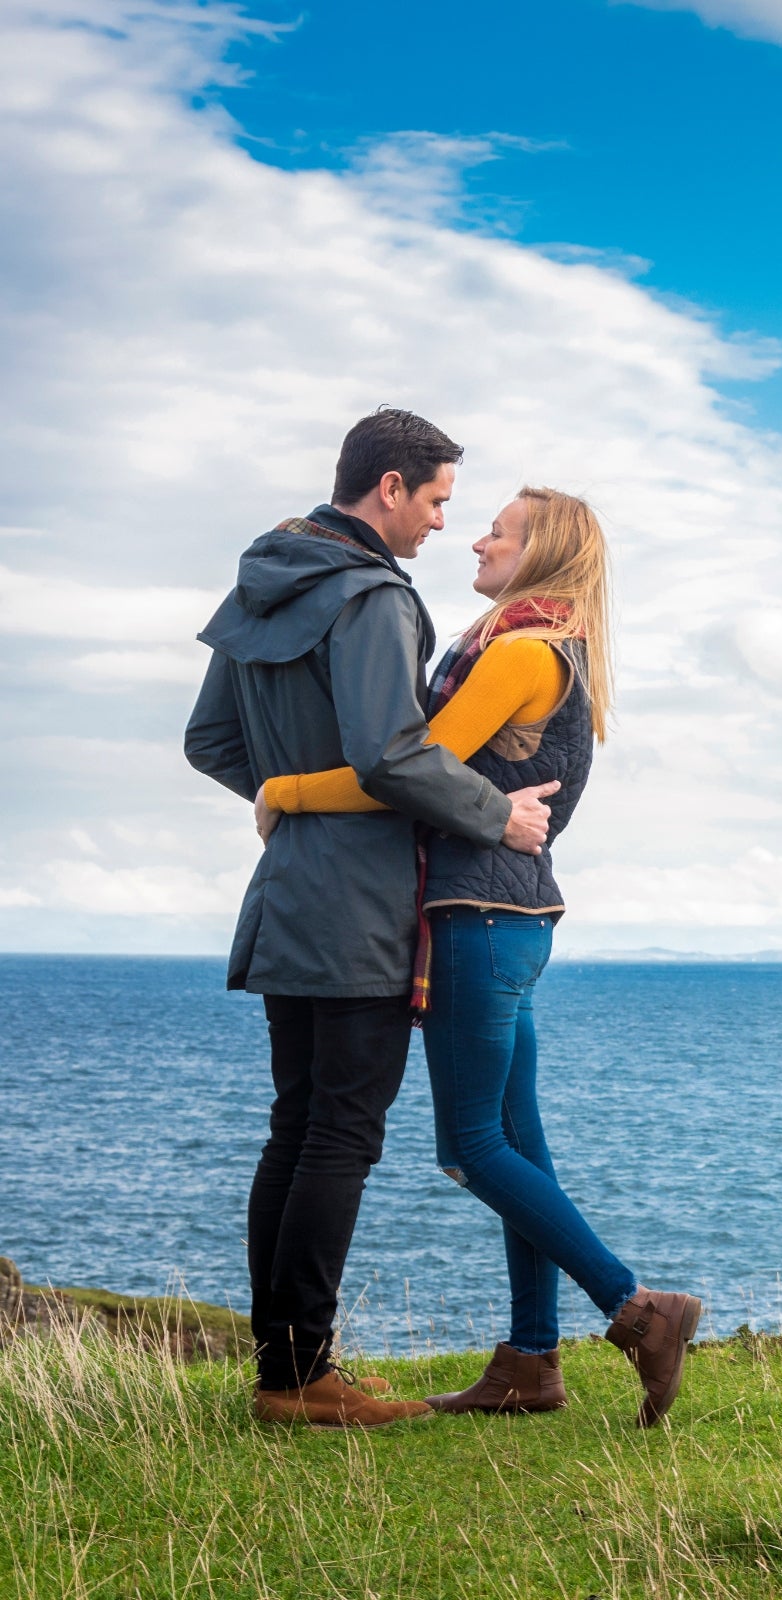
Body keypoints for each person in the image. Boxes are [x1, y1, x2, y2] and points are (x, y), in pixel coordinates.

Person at [258, 486, 704, 1427]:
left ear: (540, 550)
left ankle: (638, 1307)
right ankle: (531, 1363)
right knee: (518, 1144)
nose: (477, 538)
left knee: (471, 1147)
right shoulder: (556, 650)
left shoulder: (518, 654)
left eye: (497, 529)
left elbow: (401, 774)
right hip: (518, 921)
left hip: (478, 918)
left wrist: (286, 791)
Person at [185, 408, 558, 1428]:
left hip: (288, 893)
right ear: (388, 488)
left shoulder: (265, 579)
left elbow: (210, 740)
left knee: (297, 1127)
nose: (445, 522)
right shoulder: (372, 599)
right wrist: (499, 814)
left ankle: (284, 1368)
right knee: (340, 1134)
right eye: (437, 499)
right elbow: (395, 755)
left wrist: (289, 796)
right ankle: (302, 1376)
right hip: (359, 907)